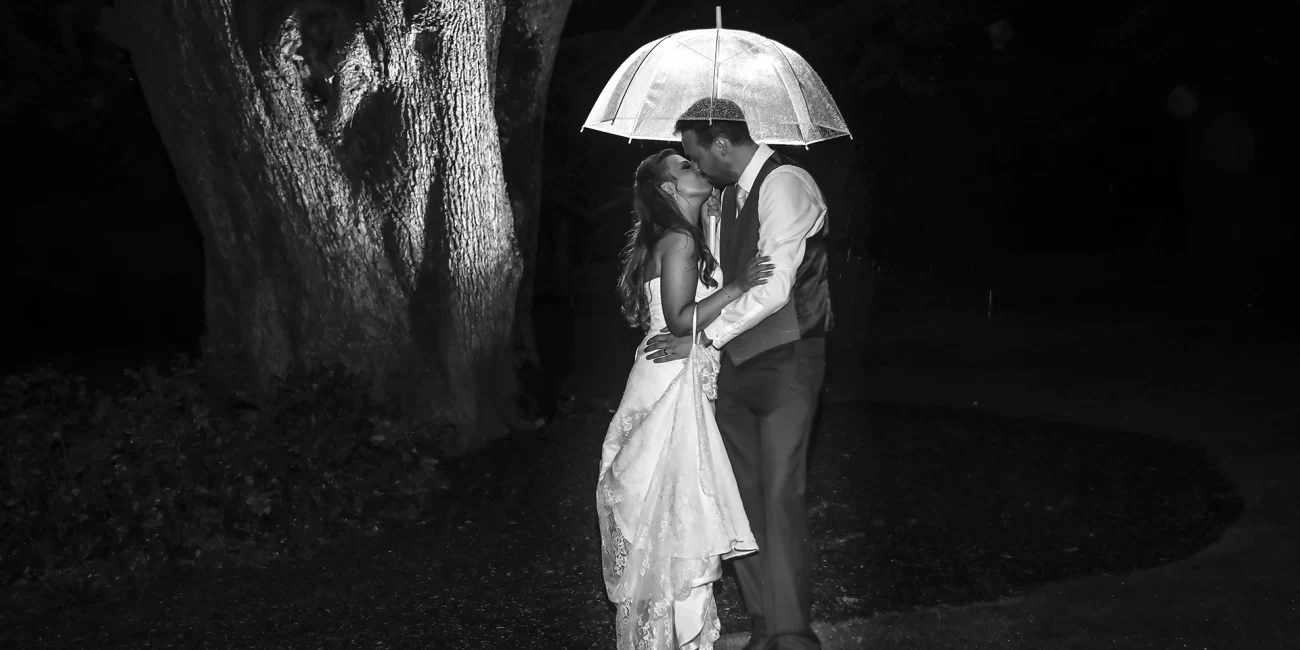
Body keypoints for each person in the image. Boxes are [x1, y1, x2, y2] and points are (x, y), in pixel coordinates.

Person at [644, 98, 833, 650]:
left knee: (779, 494)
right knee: (740, 501)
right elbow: (725, 279)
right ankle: (763, 627)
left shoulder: (787, 184)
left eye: (694, 152)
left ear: (720, 144)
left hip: (789, 359)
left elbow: (774, 288)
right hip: (730, 370)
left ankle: (794, 634)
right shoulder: (723, 199)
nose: (694, 164)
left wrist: (701, 338)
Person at [597, 148, 775, 649]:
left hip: (672, 378)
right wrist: (738, 285)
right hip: (670, 388)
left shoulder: (685, 236)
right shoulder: (678, 241)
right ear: (671, 190)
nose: (698, 168)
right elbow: (679, 319)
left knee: (675, 522)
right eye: (686, 167)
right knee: (681, 521)